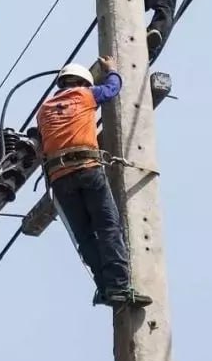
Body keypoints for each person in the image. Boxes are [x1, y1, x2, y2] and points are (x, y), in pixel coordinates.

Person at [35, 59, 153, 308]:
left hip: (59, 178)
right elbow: (112, 88)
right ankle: (119, 286)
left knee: (86, 236)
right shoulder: (84, 95)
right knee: (108, 227)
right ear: (83, 82)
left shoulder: (44, 110)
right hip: (86, 169)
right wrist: (111, 69)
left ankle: (105, 287)